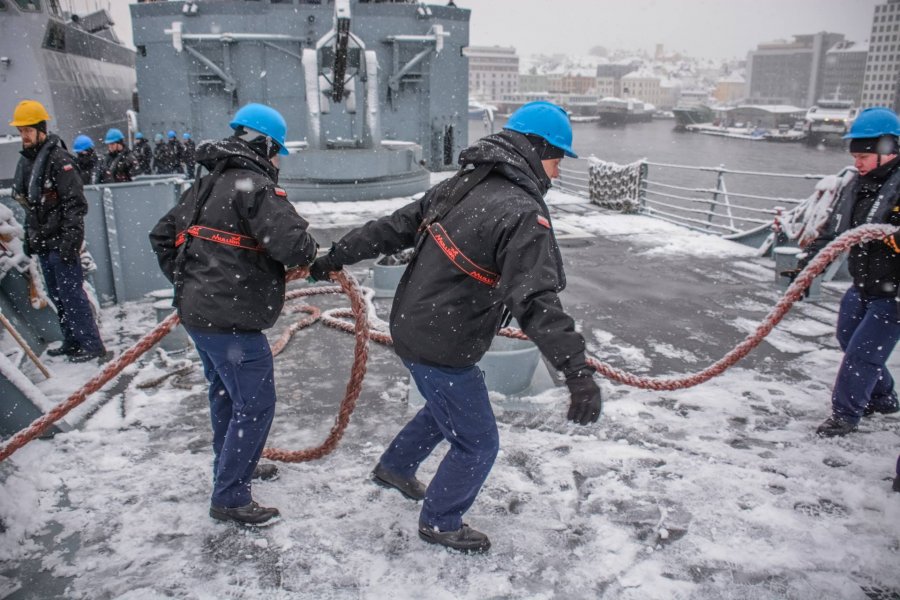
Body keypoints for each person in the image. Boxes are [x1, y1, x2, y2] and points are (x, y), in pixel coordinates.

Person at [308, 101, 602, 553]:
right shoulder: (522, 211)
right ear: (537, 148)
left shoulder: (461, 185)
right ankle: (441, 522)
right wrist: (576, 371)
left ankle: (395, 467)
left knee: (447, 404)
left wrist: (336, 255)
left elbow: (392, 228)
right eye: (558, 159)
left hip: (412, 326)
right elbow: (536, 300)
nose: (558, 173)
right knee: (479, 443)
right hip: (442, 342)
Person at [149, 103, 318, 527]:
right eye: (276, 150)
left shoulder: (205, 186)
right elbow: (295, 247)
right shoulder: (254, 185)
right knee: (256, 404)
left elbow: (161, 236)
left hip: (199, 315)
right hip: (231, 322)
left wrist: (193, 282)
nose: (277, 160)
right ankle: (230, 495)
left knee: (225, 395)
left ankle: (233, 466)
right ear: (262, 143)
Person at [793, 107, 900, 436]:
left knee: (862, 353)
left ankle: (845, 415)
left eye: (863, 156)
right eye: (854, 156)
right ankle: (882, 397)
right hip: (863, 283)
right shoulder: (856, 185)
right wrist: (810, 263)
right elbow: (833, 232)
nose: (857, 163)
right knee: (849, 338)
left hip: (894, 292)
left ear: (886, 149)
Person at [9, 99, 106, 362]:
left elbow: (75, 204)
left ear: (41, 129)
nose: (23, 136)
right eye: (21, 131)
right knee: (57, 295)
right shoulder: (27, 162)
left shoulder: (59, 160)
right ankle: (72, 340)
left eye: (27, 130)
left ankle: (91, 344)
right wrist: (30, 237)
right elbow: (31, 205)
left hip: (61, 241)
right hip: (44, 242)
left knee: (71, 294)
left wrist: (70, 241)